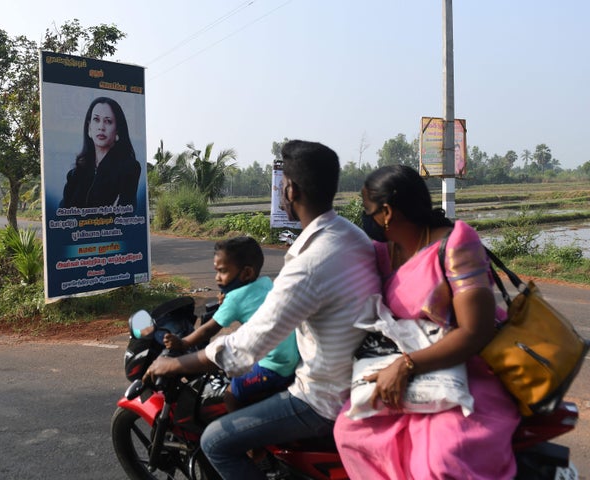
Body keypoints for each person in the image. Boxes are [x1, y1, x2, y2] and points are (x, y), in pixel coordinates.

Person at [144, 140, 381, 479]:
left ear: (290, 189)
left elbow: (248, 345)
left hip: (323, 397)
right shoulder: (351, 235)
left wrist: (176, 362)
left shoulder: (309, 262)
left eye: (282, 183)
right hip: (353, 373)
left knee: (216, 441)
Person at [334, 165, 520, 479]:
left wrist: (406, 366)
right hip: (404, 364)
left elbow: (477, 330)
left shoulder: (457, 244)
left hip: (462, 367)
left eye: (368, 211)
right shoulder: (384, 251)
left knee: (439, 462)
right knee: (350, 431)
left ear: (387, 212)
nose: (365, 219)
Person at [163, 236, 299, 411]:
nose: (217, 278)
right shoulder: (265, 283)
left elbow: (208, 330)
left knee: (230, 394)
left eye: (223, 271)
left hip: (274, 366)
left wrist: (183, 343)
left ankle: (239, 432)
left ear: (247, 273)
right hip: (291, 357)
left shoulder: (234, 299)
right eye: (216, 271)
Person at [59, 97, 141, 209]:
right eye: (96, 120)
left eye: (108, 121)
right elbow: (61, 213)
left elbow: (126, 213)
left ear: (117, 130)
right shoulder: (75, 174)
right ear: (89, 127)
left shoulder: (129, 168)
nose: (101, 127)